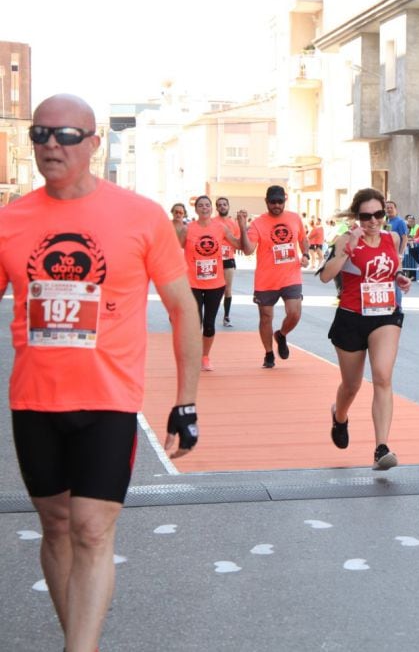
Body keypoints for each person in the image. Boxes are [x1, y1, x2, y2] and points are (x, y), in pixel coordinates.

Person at [0, 94, 200, 652]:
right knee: (57, 526)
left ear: (94, 143)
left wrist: (186, 401)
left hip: (109, 402)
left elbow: (184, 308)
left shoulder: (140, 216)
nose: (50, 146)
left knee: (91, 528)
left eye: (65, 135)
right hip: (34, 403)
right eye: (41, 134)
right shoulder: (10, 222)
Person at [320, 189, 412, 470]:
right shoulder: (346, 239)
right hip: (351, 316)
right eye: (366, 216)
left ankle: (381, 448)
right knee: (352, 385)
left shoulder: (392, 238)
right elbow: (326, 276)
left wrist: (399, 278)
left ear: (385, 213)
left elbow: (388, 268)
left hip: (385, 314)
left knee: (383, 377)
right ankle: (340, 415)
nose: (373, 221)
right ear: (357, 217)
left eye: (378, 215)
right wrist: (347, 249)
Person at [239, 184, 309, 369]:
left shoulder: (294, 218)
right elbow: (247, 250)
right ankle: (269, 353)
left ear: (284, 200)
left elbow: (302, 238)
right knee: (265, 317)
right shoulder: (258, 223)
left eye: (280, 201)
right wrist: (242, 226)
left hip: (291, 275)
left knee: (294, 313)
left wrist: (306, 254)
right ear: (266, 202)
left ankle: (282, 334)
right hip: (266, 278)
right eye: (273, 202)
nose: (276, 205)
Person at [181, 195, 243, 371]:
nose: (204, 208)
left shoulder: (220, 228)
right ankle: (192, 356)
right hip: (192, 282)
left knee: (209, 324)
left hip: (215, 284)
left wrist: (243, 226)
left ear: (211, 208)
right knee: (195, 323)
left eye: (207, 205)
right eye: (201, 205)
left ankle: (205, 357)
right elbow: (174, 246)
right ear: (196, 209)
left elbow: (238, 244)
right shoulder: (188, 229)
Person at [215, 196, 241, 327]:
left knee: (228, 289)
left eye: (224, 204)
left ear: (228, 206)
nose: (222, 206)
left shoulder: (233, 224)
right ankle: (210, 314)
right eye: (219, 205)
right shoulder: (212, 221)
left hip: (228, 259)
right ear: (216, 208)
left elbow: (237, 241)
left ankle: (226, 316)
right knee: (213, 289)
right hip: (214, 260)